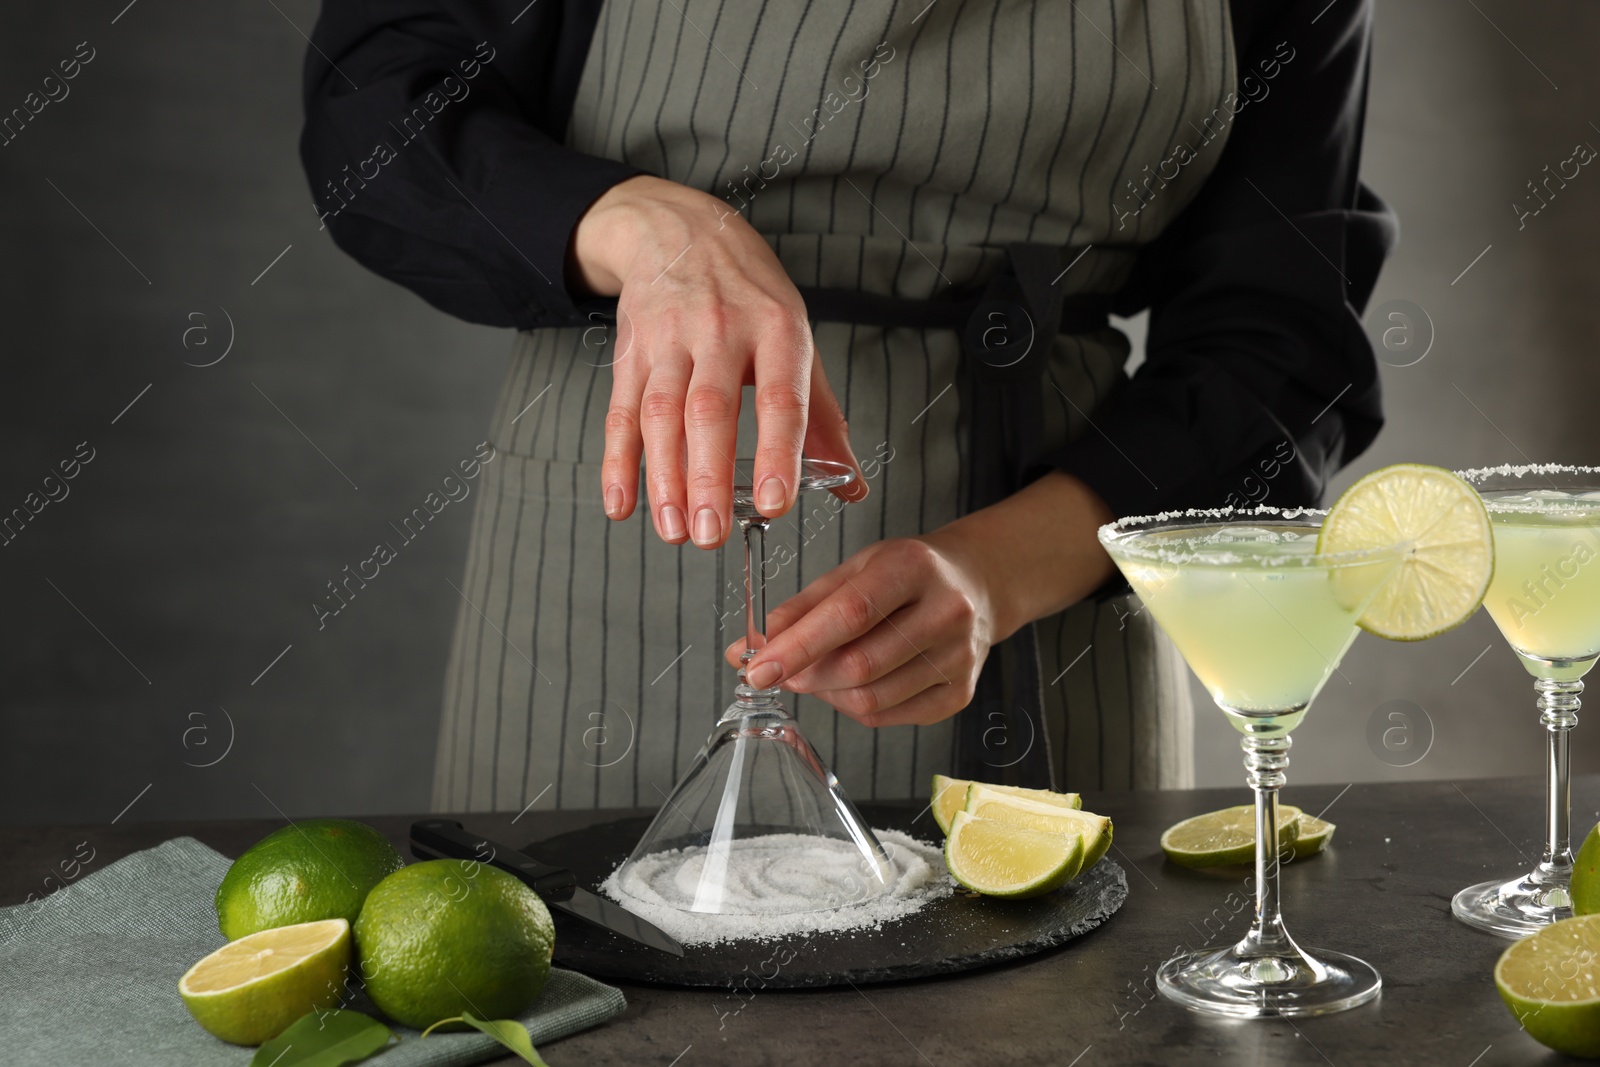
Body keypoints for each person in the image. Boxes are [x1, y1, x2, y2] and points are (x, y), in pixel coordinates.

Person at [301, 1, 1394, 813]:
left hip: (1048, 604)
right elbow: (375, 112)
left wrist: (998, 569)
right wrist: (636, 225)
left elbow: (1282, 341)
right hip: (603, 604)